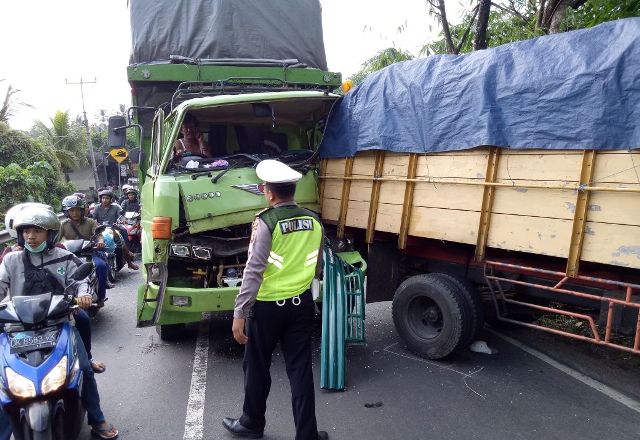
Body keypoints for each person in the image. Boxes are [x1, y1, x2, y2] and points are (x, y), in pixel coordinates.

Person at [224, 160, 328, 440]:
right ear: (292, 190)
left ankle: (251, 424)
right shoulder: (315, 220)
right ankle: (307, 435)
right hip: (302, 305)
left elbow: (253, 270)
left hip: (268, 308)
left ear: (268, 192)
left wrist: (240, 311)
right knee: (300, 371)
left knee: (257, 366)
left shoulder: (266, 221)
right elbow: (316, 265)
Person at [0, 205, 118, 439]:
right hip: (17, 328)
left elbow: (81, 280)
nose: (31, 236)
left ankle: (97, 419)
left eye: (37, 231)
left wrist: (84, 294)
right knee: (2, 377)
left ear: (51, 233)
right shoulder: (11, 260)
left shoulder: (64, 257)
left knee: (83, 369)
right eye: (26, 231)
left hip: (58, 324)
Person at [59, 195, 111, 307]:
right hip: (70, 255)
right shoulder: (64, 224)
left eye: (77, 209)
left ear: (82, 210)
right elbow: (55, 239)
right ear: (67, 212)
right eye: (71, 210)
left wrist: (100, 242)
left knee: (101, 266)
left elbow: (99, 235)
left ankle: (101, 297)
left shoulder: (91, 222)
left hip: (90, 252)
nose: (74, 213)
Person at [92, 188, 139, 271]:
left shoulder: (116, 207)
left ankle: (129, 262)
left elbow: (122, 216)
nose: (104, 200)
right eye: (103, 198)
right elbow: (92, 219)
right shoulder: (97, 208)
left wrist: (121, 222)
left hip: (113, 228)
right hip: (101, 230)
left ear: (111, 199)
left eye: (107, 198)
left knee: (123, 234)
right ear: (100, 199)